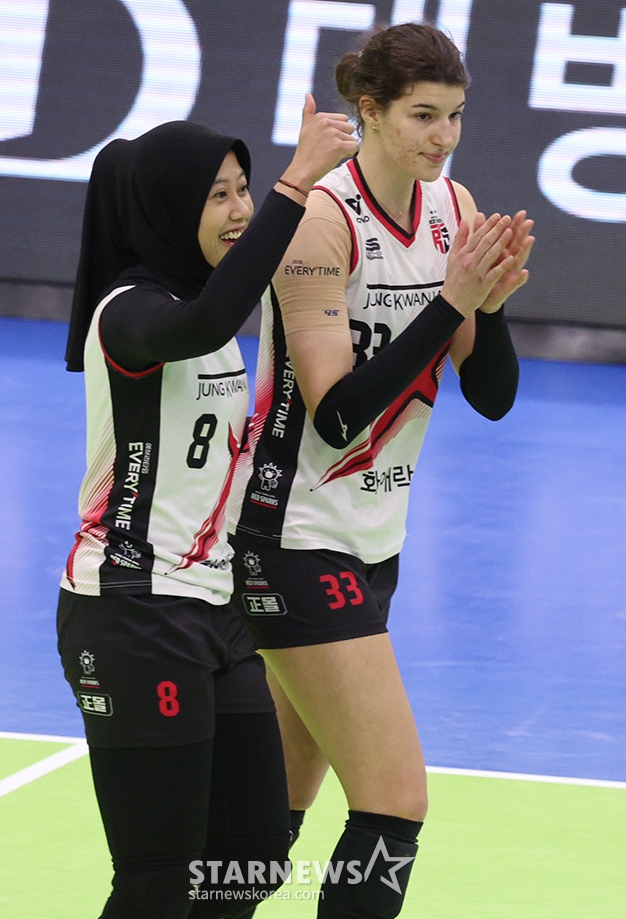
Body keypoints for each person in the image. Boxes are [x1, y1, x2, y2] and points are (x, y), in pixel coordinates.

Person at [227, 21, 534, 919]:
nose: (444, 136)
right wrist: (449, 302)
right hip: (290, 533)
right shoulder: (322, 219)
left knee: (266, 821)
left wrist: (490, 307)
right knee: (395, 799)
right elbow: (336, 414)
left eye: (456, 115)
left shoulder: (451, 206)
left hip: (371, 539)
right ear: (369, 110)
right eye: (423, 115)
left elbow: (491, 396)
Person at [56, 99, 358, 919]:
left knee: (249, 858)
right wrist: (299, 180)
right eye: (217, 195)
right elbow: (204, 318)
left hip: (214, 610)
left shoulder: (209, 316)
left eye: (244, 189)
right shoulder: (129, 312)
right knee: (157, 877)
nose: (239, 209)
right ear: (167, 207)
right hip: (131, 610)